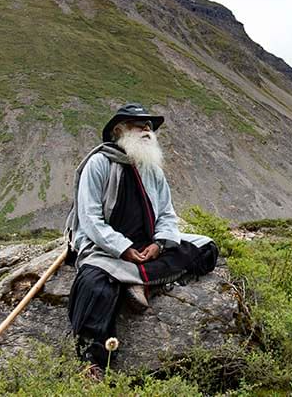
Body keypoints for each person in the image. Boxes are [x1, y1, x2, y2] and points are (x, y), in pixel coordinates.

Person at [64, 103, 219, 379]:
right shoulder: (99, 164)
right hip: (107, 249)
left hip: (148, 248)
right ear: (119, 130)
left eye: (149, 125)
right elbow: (89, 218)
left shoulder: (152, 169)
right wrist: (123, 249)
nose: (147, 129)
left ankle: (138, 281)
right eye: (140, 125)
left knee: (206, 248)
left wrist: (159, 243)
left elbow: (168, 214)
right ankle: (94, 362)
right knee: (95, 287)